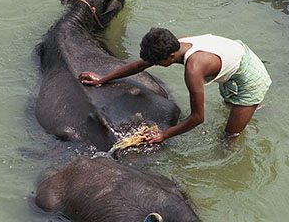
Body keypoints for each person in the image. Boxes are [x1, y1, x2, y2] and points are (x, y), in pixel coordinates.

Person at [78, 27, 271, 143]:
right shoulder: (174, 44)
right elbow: (141, 64)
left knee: (230, 136)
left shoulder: (193, 69)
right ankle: (253, 109)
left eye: (158, 63)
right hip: (237, 58)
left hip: (249, 78)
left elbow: (198, 117)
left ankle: (253, 109)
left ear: (170, 57)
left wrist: (164, 134)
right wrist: (104, 78)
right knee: (229, 106)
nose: (156, 66)